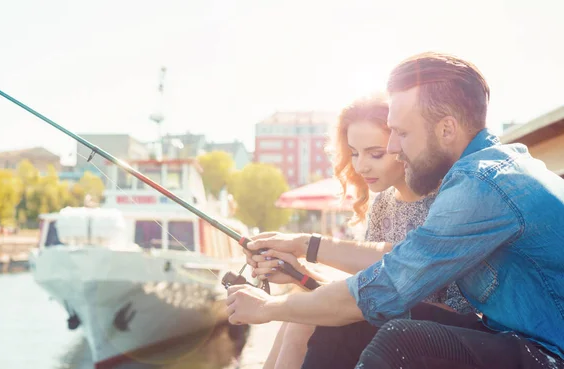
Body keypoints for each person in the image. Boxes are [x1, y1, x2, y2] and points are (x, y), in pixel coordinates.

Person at [226, 52, 564, 369]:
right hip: (511, 340)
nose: (392, 146)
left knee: (400, 338)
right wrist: (303, 251)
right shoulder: (489, 170)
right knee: (348, 323)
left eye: (401, 133)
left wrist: (269, 307)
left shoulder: (480, 184)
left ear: (446, 129)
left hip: (548, 354)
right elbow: (389, 269)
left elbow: (386, 287)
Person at [259, 97, 472, 369]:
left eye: (375, 154)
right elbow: (366, 285)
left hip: (448, 331)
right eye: (355, 153)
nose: (361, 167)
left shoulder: (444, 201)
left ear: (402, 144)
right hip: (391, 316)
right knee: (302, 310)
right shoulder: (382, 204)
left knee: (308, 319)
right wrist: (298, 272)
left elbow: (437, 300)